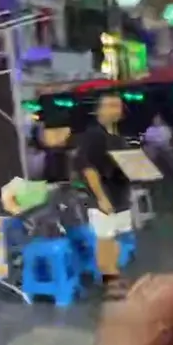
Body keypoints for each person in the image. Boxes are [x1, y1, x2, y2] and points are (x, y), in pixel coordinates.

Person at [77, 93, 132, 285]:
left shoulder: (117, 137)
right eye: (109, 105)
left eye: (117, 106)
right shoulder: (94, 135)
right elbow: (88, 168)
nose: (115, 110)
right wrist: (101, 197)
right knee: (105, 240)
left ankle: (114, 274)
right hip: (104, 197)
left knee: (116, 238)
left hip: (120, 196)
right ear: (99, 110)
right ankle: (110, 281)